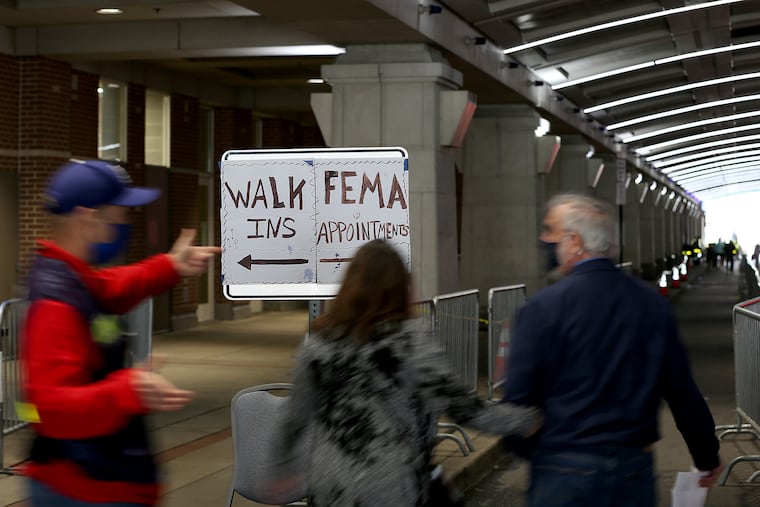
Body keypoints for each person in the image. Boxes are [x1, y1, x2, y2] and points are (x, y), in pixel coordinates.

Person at [266, 239, 540, 507]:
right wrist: (526, 421)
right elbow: (464, 408)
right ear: (399, 288)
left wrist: (279, 468)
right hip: (390, 483)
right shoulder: (409, 341)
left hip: (329, 483)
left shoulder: (319, 342)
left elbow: (294, 416)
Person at [21, 160, 220, 506]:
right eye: (119, 213)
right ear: (88, 218)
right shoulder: (57, 301)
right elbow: (50, 406)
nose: (125, 223)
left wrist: (170, 265)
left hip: (103, 482)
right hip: (82, 490)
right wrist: (126, 390)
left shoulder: (76, 278)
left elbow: (111, 287)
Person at [502, 193, 721, 507]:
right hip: (632, 469)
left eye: (550, 230)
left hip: (561, 467)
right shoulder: (650, 304)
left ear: (574, 241)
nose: (543, 239)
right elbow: (682, 390)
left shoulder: (542, 308)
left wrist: (530, 449)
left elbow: (519, 397)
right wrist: (706, 455)